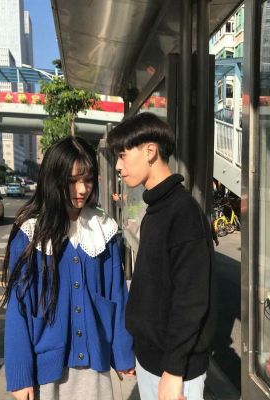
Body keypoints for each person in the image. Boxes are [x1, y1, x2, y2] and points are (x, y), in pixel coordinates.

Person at [2, 136, 135, 400]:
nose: (82, 189)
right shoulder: (31, 233)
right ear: (53, 180)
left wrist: (122, 354)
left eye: (88, 179)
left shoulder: (103, 229)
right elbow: (19, 308)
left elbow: (118, 296)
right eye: (72, 181)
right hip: (46, 369)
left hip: (94, 365)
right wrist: (20, 375)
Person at [107, 112, 216, 400]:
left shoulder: (183, 212)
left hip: (174, 370)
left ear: (150, 151)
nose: (118, 166)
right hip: (152, 359)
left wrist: (173, 371)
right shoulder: (155, 210)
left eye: (122, 155)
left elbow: (191, 300)